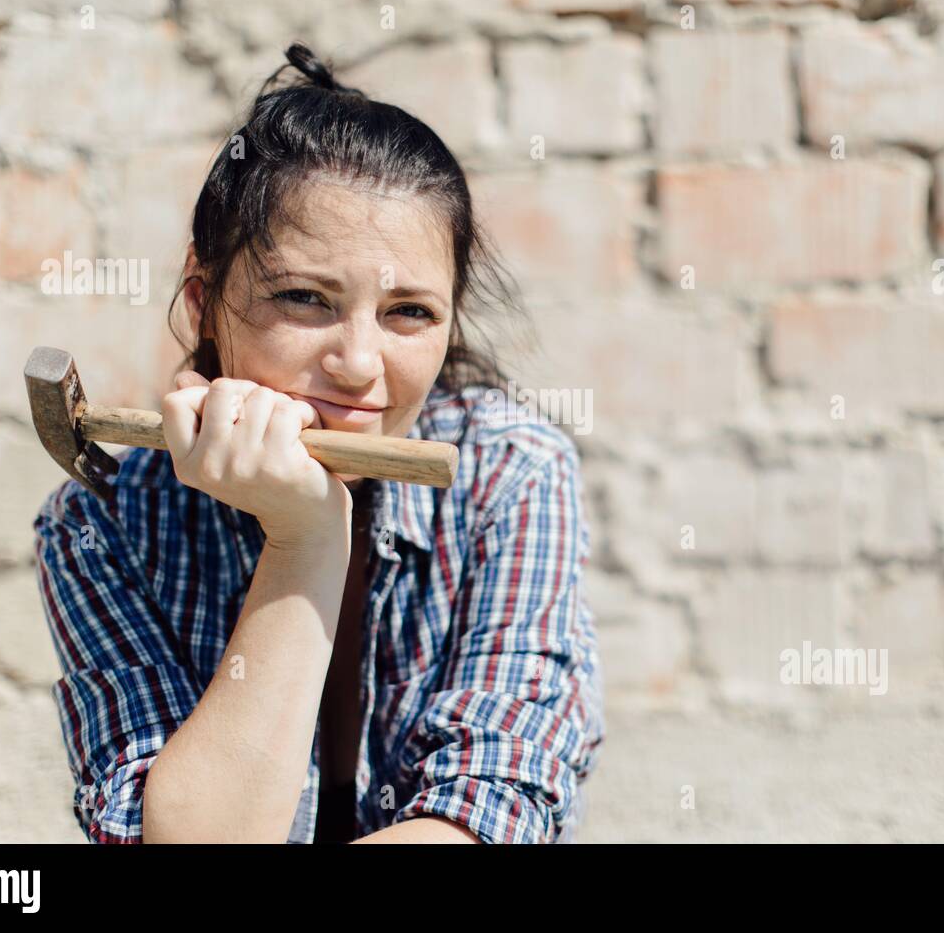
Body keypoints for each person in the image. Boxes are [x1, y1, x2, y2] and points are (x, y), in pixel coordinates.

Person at [32, 42, 605, 844]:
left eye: (410, 312)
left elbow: (494, 810)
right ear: (203, 303)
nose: (360, 366)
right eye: (305, 298)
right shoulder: (104, 526)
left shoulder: (509, 475)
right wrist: (304, 539)